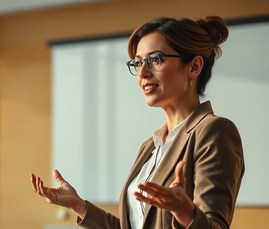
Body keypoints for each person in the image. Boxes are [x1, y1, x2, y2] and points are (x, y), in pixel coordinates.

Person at [30, 16, 244, 229]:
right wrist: (78, 205)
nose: (142, 73)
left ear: (194, 67)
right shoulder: (150, 146)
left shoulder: (214, 131)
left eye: (156, 59)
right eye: (138, 62)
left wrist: (184, 212)